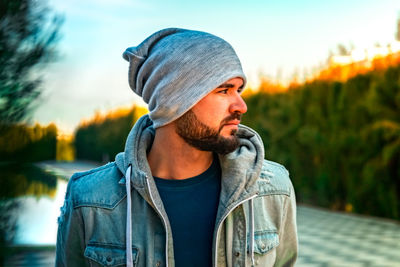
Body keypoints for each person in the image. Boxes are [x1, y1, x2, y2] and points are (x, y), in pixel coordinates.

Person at [56, 28, 298, 267]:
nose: (241, 106)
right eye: (223, 90)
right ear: (173, 102)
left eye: (238, 90)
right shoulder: (89, 199)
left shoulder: (272, 189)